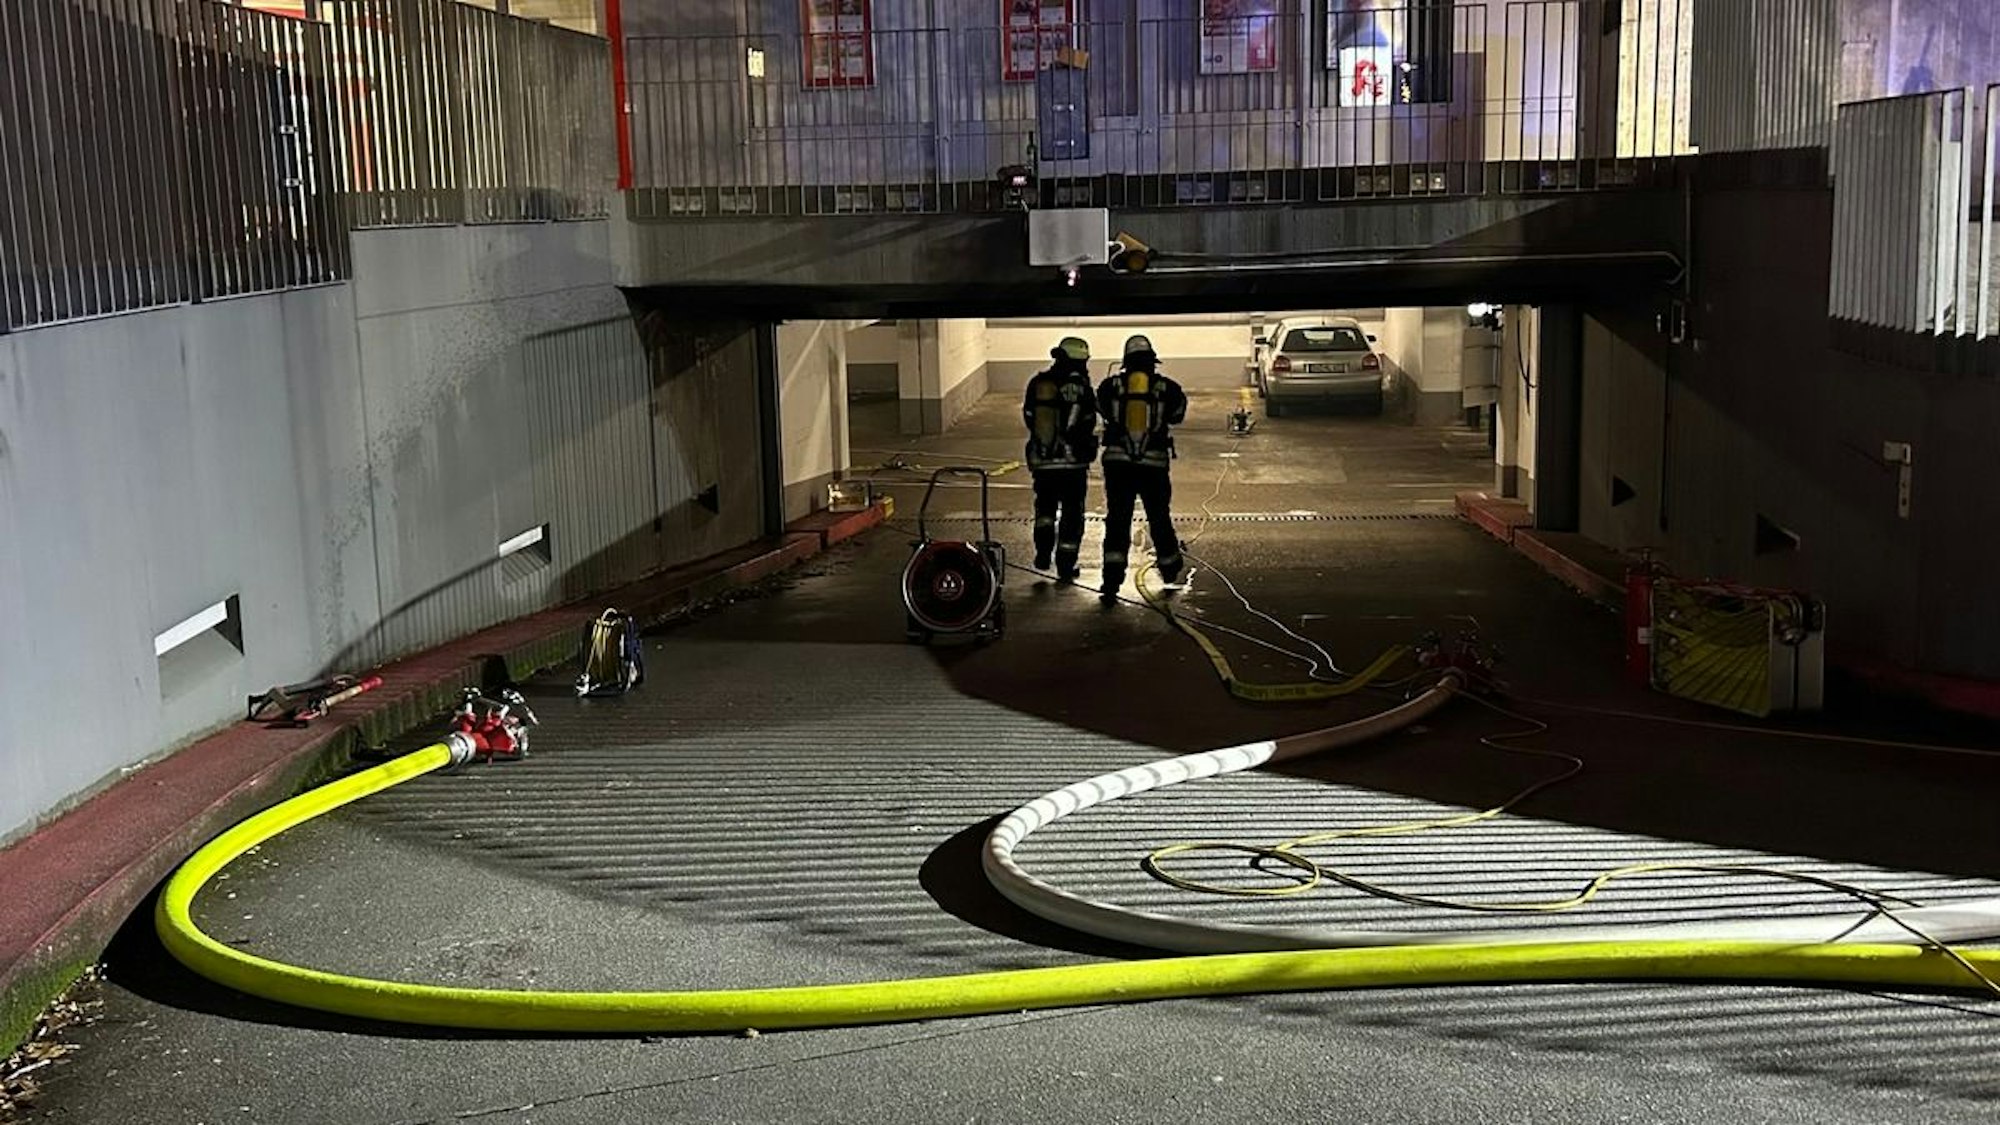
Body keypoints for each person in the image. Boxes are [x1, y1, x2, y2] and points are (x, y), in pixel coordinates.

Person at [1096, 334, 1187, 596]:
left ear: (1125, 361)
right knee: (1159, 516)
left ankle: (1111, 580)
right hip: (1154, 465)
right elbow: (1178, 415)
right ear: (1152, 361)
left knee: (1117, 518)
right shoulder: (1169, 388)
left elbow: (1100, 408)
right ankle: (1169, 569)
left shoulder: (1108, 386)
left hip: (1118, 464)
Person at [1020, 336, 1100, 581]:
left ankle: (1042, 554)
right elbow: (1089, 421)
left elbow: (1029, 416)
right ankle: (1066, 566)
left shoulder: (1038, 382)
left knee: (1044, 510)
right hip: (1073, 464)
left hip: (1044, 462)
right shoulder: (1083, 387)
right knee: (1072, 514)